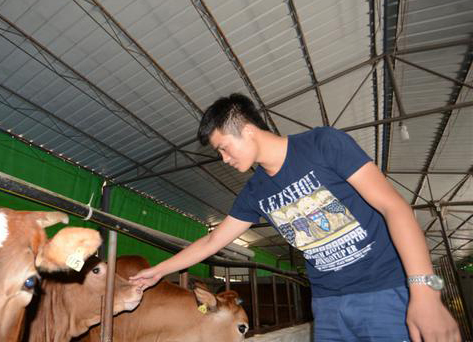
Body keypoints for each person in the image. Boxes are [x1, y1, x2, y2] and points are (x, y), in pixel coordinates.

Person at [130, 93, 460, 341]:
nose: (224, 159)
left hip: (385, 291)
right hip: (329, 306)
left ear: (247, 130)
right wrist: (157, 271)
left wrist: (425, 293)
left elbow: (395, 207)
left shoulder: (323, 144)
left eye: (224, 147)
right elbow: (213, 240)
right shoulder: (255, 191)